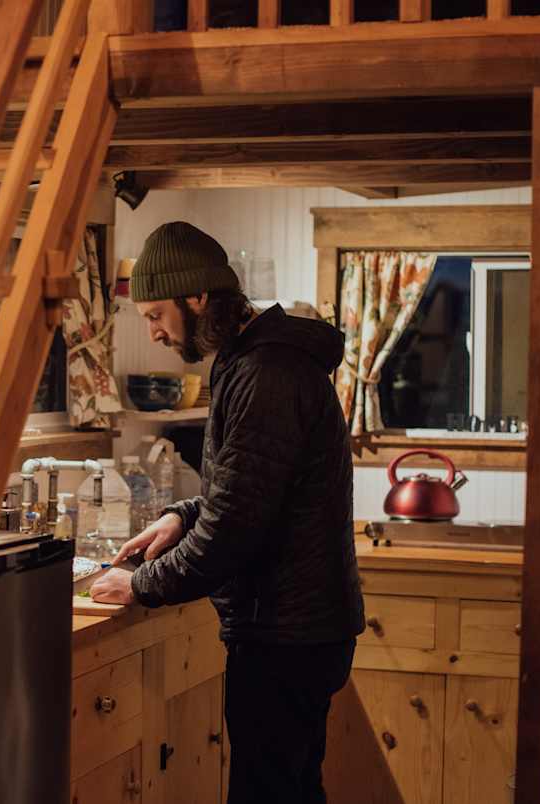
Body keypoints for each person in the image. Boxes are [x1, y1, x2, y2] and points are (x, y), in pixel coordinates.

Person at [90, 221, 365, 804]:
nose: (155, 331)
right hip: (300, 628)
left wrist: (140, 583)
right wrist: (180, 516)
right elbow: (249, 489)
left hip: (286, 634)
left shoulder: (266, 372)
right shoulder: (255, 361)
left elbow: (233, 529)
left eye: (157, 313)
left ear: (197, 297)